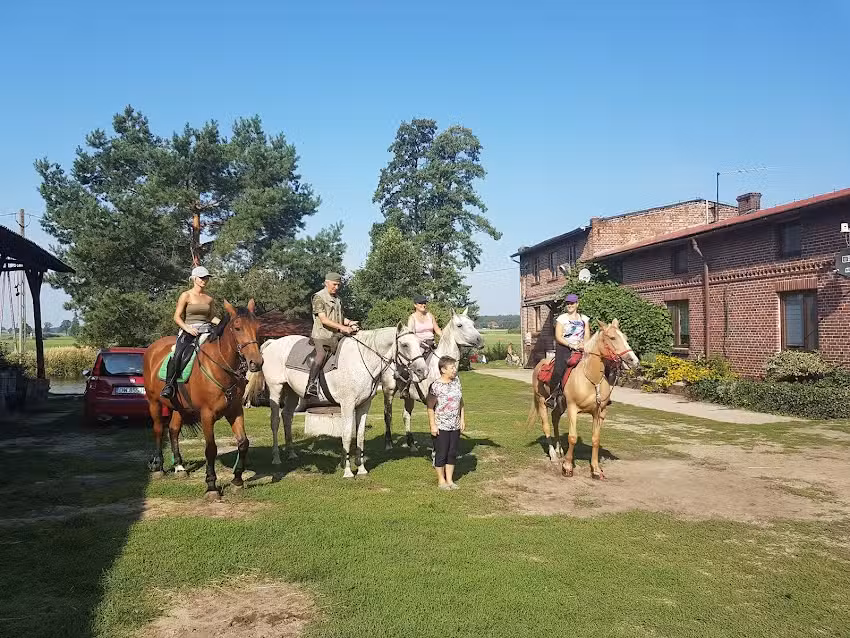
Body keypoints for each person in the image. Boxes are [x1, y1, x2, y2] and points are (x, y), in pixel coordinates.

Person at [161, 266, 216, 399]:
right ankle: (169, 385)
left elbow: (211, 317)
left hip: (207, 331)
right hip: (189, 331)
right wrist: (187, 328)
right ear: (194, 279)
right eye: (202, 277)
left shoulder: (209, 299)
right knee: (178, 354)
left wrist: (225, 323)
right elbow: (177, 317)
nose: (205, 280)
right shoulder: (186, 295)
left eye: (206, 277)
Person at [305, 272, 359, 398]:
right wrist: (343, 328)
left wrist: (350, 323)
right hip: (321, 336)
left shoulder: (338, 299)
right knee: (321, 355)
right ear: (326, 283)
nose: (336, 287)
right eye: (334, 284)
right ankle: (311, 384)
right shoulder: (318, 297)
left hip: (336, 336)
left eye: (338, 285)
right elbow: (323, 319)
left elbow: (340, 318)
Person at [545, 293, 590, 409]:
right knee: (559, 370)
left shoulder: (584, 319)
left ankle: (601, 395)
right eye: (568, 303)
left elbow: (587, 335)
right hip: (564, 348)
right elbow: (559, 336)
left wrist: (583, 344)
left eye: (572, 303)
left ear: (577, 304)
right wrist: (571, 345)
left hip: (581, 348)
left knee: (597, 365)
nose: (569, 305)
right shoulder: (562, 318)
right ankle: (553, 395)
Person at [426, 356, 466, 490]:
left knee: (452, 453)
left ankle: (450, 480)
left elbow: (461, 402)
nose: (455, 370)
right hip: (441, 425)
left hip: (454, 424)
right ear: (443, 369)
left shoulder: (457, 382)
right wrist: (432, 425)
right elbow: (430, 407)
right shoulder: (435, 386)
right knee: (441, 453)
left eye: (455, 367)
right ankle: (441, 481)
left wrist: (462, 419)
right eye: (452, 367)